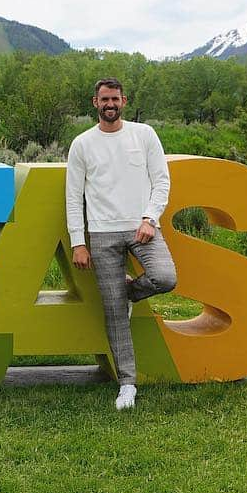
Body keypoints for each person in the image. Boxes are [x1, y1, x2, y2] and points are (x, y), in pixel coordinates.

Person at [66, 78, 176, 410]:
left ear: (124, 101)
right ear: (94, 102)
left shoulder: (144, 135)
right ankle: (127, 384)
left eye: (115, 98)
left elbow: (161, 180)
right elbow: (73, 197)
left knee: (165, 277)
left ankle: (127, 291)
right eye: (104, 99)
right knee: (114, 313)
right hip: (101, 234)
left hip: (142, 227)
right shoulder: (82, 143)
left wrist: (150, 218)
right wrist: (77, 242)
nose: (110, 104)